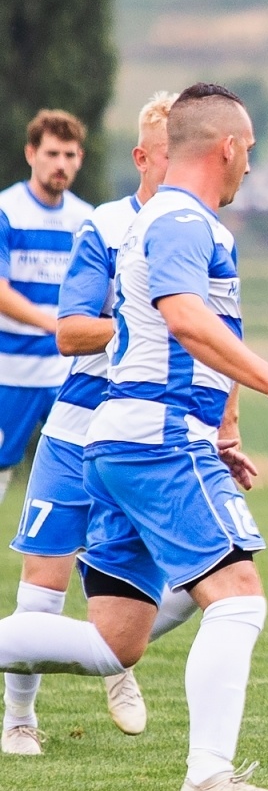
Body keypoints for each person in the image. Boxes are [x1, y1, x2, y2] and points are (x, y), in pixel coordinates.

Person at [0, 83, 268, 791]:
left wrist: (217, 432)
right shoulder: (186, 224)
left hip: (130, 440)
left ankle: (205, 770)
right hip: (153, 442)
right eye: (250, 152)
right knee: (238, 598)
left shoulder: (168, 219)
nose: (249, 166)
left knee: (113, 641)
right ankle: (208, 775)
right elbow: (181, 318)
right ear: (230, 148)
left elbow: (165, 342)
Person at [3, 94, 199, 756]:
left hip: (151, 440)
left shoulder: (202, 231)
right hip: (80, 430)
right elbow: (69, 332)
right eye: (173, 153)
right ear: (145, 157)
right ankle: (19, 722)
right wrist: (138, 327)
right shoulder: (106, 228)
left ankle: (116, 657)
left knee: (215, 576)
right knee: (41, 594)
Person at [0, 111, 92, 506]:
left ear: (80, 159)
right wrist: (57, 324)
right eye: (52, 153)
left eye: (70, 155)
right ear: (31, 154)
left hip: (65, 371)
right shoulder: (7, 211)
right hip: (10, 370)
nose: (61, 164)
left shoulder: (87, 220)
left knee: (85, 470)